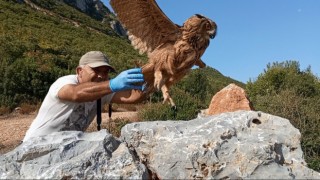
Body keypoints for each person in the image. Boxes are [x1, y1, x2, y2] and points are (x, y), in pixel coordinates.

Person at [23, 51, 145, 142]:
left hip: (65, 150)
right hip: (34, 146)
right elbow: (75, 94)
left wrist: (152, 80)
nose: (101, 76)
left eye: (105, 71)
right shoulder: (64, 82)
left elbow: (132, 97)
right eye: (96, 70)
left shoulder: (102, 90)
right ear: (79, 71)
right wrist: (112, 84)